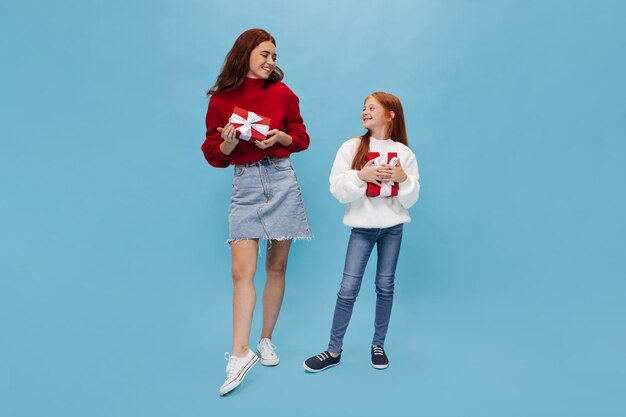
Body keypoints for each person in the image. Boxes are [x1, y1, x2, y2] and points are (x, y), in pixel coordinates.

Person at [202, 28, 312, 395]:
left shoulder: (283, 93)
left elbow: (301, 137)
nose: (270, 62)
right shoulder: (220, 100)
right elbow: (213, 153)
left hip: (281, 180)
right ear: (245, 53)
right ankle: (239, 352)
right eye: (265, 54)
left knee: (276, 266)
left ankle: (265, 339)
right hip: (246, 184)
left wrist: (280, 138)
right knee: (240, 271)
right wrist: (229, 145)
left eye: (275, 57)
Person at [303, 92, 420, 372]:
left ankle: (377, 344)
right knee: (348, 289)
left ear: (390, 114)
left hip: (392, 229)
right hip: (362, 229)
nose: (364, 112)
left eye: (371, 107)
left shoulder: (404, 153)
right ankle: (333, 350)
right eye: (363, 108)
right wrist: (361, 176)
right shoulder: (352, 147)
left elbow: (411, 197)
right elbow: (337, 187)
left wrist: (403, 179)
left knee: (385, 286)